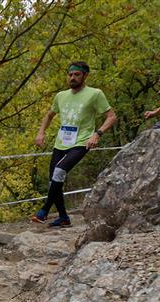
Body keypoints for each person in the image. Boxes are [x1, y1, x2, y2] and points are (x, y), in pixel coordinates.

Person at [32, 61, 117, 227]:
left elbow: (112, 117)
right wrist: (41, 132)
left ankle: (44, 211)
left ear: (85, 76)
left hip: (82, 141)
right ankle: (63, 217)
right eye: (70, 74)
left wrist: (97, 134)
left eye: (76, 74)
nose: (72, 77)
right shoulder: (61, 96)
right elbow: (49, 115)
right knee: (53, 181)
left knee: (59, 171)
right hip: (61, 142)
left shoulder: (95, 94)